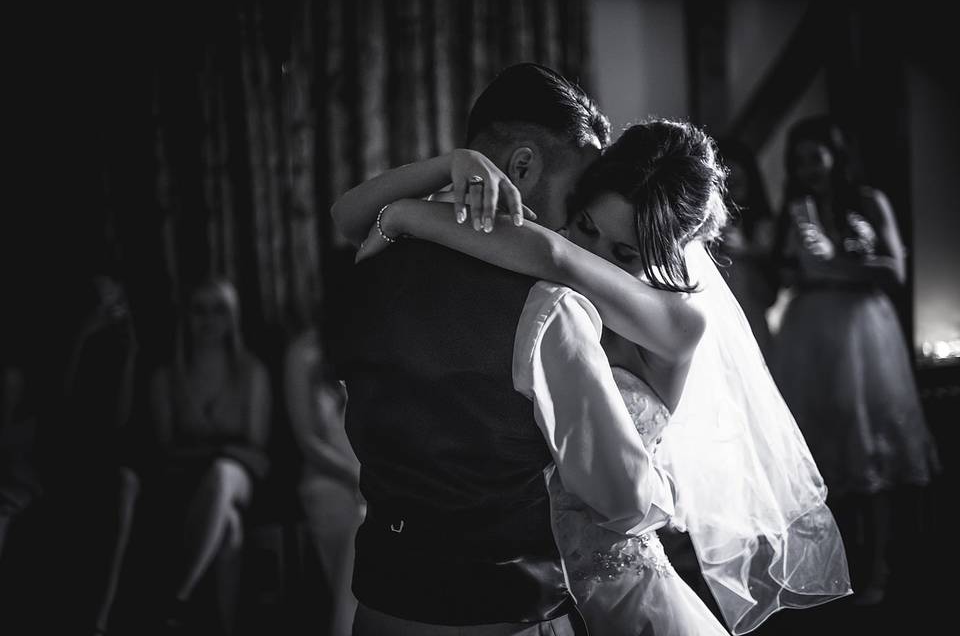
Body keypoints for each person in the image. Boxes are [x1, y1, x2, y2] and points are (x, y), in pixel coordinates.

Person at [341, 108, 853, 632]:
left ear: (671, 254)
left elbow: (555, 257)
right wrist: (446, 170)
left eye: (624, 253)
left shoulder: (677, 324)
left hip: (619, 580)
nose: (595, 258)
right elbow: (348, 216)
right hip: (541, 581)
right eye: (584, 227)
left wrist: (404, 217)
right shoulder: (546, 293)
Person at [332, 62, 679, 636]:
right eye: (577, 190)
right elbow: (622, 498)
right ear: (520, 166)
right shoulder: (550, 309)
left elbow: (349, 216)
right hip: (503, 612)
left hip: (380, 608)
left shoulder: (375, 257)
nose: (573, 221)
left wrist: (423, 189)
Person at [771, 115, 940, 606]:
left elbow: (895, 271)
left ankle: (882, 566)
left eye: (815, 157)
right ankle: (833, 567)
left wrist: (835, 263)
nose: (807, 169)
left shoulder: (867, 202)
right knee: (822, 445)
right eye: (798, 161)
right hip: (809, 331)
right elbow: (785, 277)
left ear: (835, 155)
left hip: (864, 330)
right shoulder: (793, 210)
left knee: (871, 445)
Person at [143, 277, 272, 631]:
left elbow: (256, 449)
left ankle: (175, 600)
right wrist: (223, 447)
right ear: (185, 317)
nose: (208, 320)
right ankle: (224, 628)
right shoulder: (166, 377)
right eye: (198, 310)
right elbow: (165, 451)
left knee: (223, 473)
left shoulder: (251, 372)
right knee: (228, 526)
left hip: (240, 479)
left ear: (233, 318)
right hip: (182, 482)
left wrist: (215, 453)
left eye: (219, 310)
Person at [284, 326, 364, 636]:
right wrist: (353, 476)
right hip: (329, 476)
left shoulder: (380, 332)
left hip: (380, 478)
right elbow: (306, 439)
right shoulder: (303, 351)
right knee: (353, 520)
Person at [716, 139, 777, 358]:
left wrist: (750, 252)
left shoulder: (763, 226)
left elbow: (773, 289)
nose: (730, 190)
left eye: (737, 183)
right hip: (716, 315)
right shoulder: (704, 227)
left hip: (751, 310)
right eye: (725, 183)